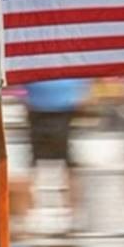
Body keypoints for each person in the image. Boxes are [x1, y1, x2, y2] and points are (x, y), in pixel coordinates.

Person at [24, 77, 89, 228]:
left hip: (59, 105)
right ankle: (32, 209)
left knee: (65, 161)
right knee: (42, 161)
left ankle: (72, 211)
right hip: (44, 104)